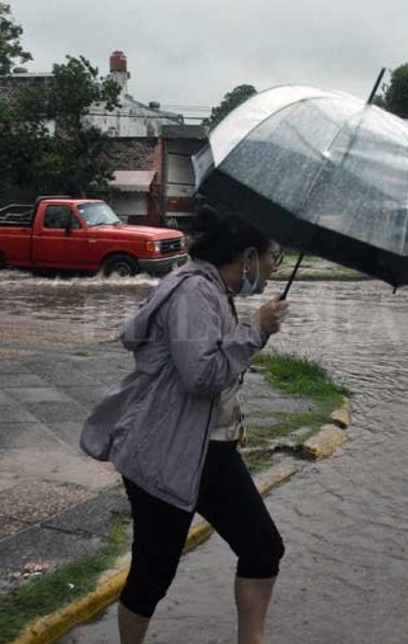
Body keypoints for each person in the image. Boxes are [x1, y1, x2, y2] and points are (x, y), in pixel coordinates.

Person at [81, 206, 289, 644]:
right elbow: (201, 375)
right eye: (275, 258)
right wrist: (256, 330)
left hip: (207, 449)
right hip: (169, 452)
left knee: (262, 548)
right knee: (154, 571)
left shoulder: (214, 290)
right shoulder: (195, 292)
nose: (275, 269)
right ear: (248, 256)